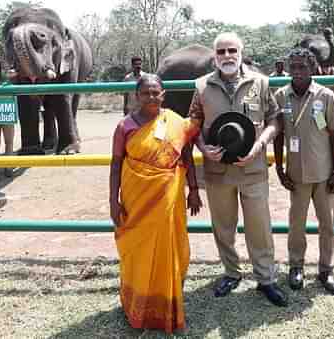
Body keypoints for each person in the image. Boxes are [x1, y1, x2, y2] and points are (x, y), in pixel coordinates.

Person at [187, 32, 288, 307]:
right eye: (221, 52)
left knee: (260, 226)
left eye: (232, 50)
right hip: (217, 170)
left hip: (253, 168)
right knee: (223, 226)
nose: (227, 56)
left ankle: (265, 278)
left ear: (241, 52)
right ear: (214, 56)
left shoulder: (261, 82)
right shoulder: (201, 86)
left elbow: (274, 120)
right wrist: (203, 149)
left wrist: (259, 146)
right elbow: (193, 124)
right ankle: (231, 273)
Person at [109, 74, 202, 334]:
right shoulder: (125, 126)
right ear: (137, 96)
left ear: (163, 95)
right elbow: (116, 164)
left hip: (169, 198)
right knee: (137, 251)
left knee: (170, 247)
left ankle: (167, 304)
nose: (151, 97)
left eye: (155, 92)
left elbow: (187, 156)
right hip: (135, 200)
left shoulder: (175, 122)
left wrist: (193, 189)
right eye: (145, 93)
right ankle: (136, 306)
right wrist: (113, 201)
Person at [273, 48, 334, 296]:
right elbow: (279, 135)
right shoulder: (281, 96)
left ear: (312, 68)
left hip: (324, 175)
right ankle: (296, 266)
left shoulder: (325, 95)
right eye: (293, 66)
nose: (297, 71)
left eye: (303, 66)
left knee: (328, 225)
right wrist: (280, 169)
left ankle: (326, 269)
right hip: (296, 176)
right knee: (296, 224)